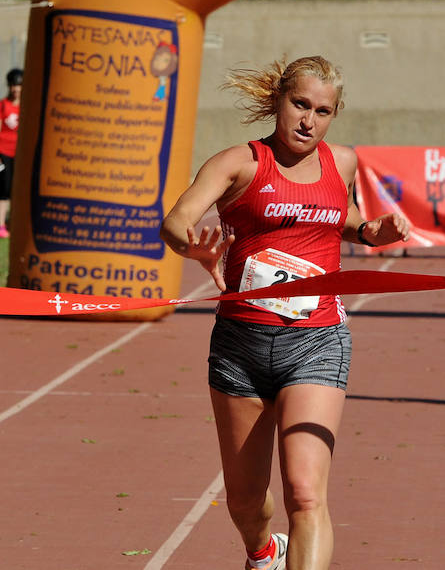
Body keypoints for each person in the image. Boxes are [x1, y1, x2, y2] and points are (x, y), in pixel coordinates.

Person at [160, 55, 409, 570]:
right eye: (300, 104)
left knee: (305, 493)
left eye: (323, 111)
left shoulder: (343, 162)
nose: (308, 121)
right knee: (245, 502)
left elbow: (341, 211)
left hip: (316, 342)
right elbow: (176, 221)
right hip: (240, 346)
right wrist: (196, 250)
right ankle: (262, 550)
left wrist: (368, 231)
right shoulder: (239, 163)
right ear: (278, 100)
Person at [0, 67, 22, 238]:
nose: (16, 89)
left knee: (19, 190)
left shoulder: (28, 106)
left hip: (21, 154)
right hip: (4, 152)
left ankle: (13, 223)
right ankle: (1, 225)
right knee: (4, 187)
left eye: (19, 86)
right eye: (13, 85)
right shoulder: (1, 105)